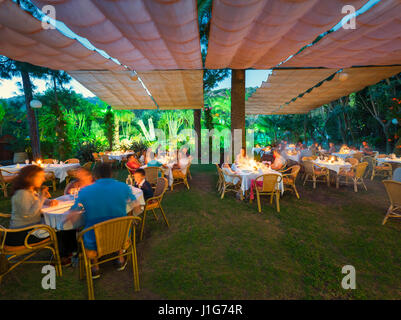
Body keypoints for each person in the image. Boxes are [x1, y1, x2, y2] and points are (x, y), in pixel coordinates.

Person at [65, 163, 140, 279]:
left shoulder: (85, 191)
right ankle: (120, 259)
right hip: (121, 238)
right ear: (112, 174)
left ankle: (95, 267)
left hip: (94, 241)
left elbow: (72, 216)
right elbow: (137, 208)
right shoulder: (124, 187)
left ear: (95, 175)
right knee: (120, 225)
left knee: (87, 231)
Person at [6, 165, 58, 246]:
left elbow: (35, 200)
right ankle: (65, 255)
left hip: (28, 230)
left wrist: (47, 201)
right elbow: (28, 215)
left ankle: (64, 254)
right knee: (60, 229)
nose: (43, 179)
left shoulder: (29, 190)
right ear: (30, 178)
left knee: (58, 226)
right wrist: (42, 197)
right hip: (21, 235)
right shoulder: (22, 193)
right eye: (40, 177)